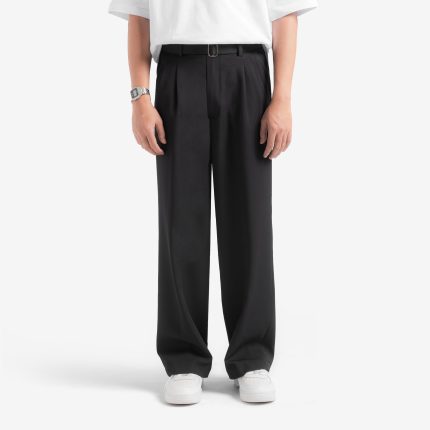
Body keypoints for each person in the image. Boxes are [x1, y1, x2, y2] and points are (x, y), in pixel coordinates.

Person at [108, 0, 318, 404]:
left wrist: (282, 98)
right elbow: (140, 16)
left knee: (250, 220)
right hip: (177, 72)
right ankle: (183, 359)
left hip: (247, 71)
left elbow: (284, 15)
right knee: (180, 219)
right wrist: (140, 98)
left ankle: (252, 357)